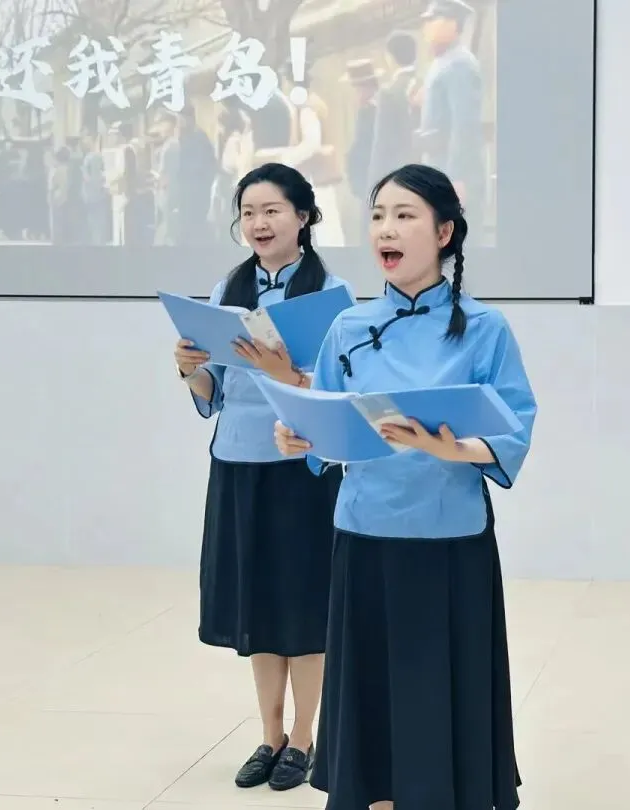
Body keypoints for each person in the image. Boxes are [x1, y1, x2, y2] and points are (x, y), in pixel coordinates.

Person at [274, 163, 536, 810]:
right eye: (377, 216)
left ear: (445, 233)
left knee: (438, 687)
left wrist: (445, 447)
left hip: (449, 540)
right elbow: (326, 429)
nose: (385, 229)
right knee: (371, 691)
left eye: (404, 215)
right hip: (364, 533)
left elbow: (511, 432)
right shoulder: (347, 327)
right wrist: (299, 438)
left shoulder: (484, 327)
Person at [173, 163, 353, 792]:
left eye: (272, 210)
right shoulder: (228, 287)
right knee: (257, 605)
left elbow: (340, 393)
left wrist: (286, 373)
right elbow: (213, 392)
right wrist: (189, 367)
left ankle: (304, 738)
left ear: (303, 217)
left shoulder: (332, 295)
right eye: (248, 212)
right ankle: (270, 735)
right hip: (237, 462)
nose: (258, 223)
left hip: (301, 467)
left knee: (302, 604)